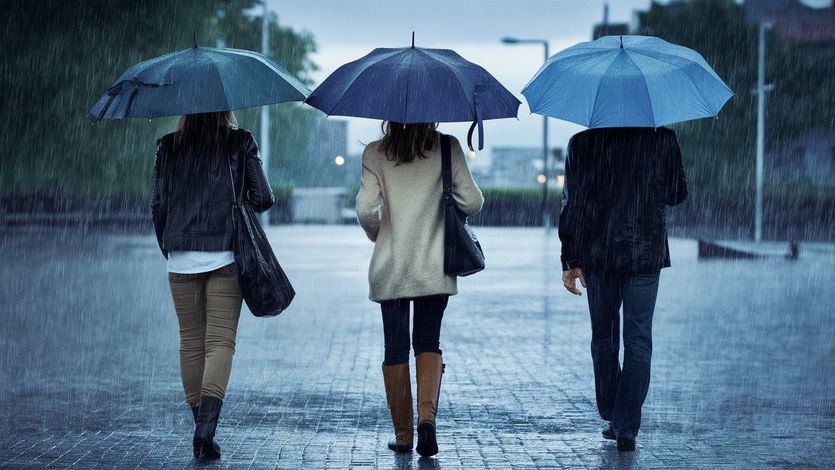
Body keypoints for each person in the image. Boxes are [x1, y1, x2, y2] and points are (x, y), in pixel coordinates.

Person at [356, 122, 484, 457]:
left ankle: (403, 434)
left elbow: (365, 209)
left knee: (395, 348)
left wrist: (380, 234)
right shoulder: (447, 147)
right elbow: (472, 201)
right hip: (434, 266)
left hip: (391, 267)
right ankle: (427, 420)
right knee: (428, 341)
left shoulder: (375, 152)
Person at [151, 111, 274, 461]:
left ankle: (199, 429)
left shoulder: (168, 146)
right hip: (225, 256)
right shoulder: (240, 141)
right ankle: (205, 432)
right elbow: (264, 197)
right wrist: (234, 204)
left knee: (190, 342)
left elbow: (158, 205)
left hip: (180, 257)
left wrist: (170, 244)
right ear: (225, 106)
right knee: (219, 343)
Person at [558, 127, 687, 452]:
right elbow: (677, 194)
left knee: (604, 338)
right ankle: (625, 424)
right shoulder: (662, 139)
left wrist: (570, 258)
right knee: (639, 339)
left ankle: (612, 410)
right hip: (645, 252)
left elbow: (572, 204)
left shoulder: (583, 144)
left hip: (598, 255)